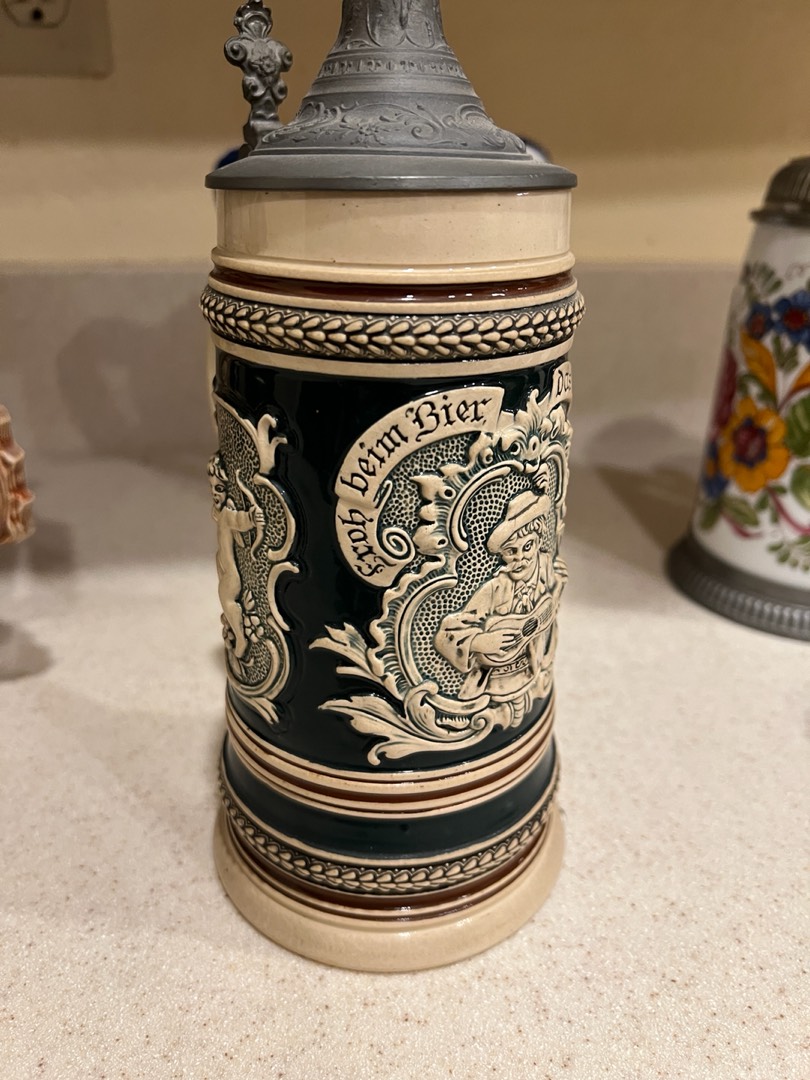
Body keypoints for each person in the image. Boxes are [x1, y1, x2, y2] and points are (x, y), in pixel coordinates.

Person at [435, 484, 566, 720]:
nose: (520, 557)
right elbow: (447, 634)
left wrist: (557, 588)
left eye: (528, 546)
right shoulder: (495, 588)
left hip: (533, 670)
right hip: (491, 683)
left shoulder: (546, 566)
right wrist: (479, 641)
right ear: (501, 555)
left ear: (538, 541)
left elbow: (550, 603)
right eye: (511, 551)